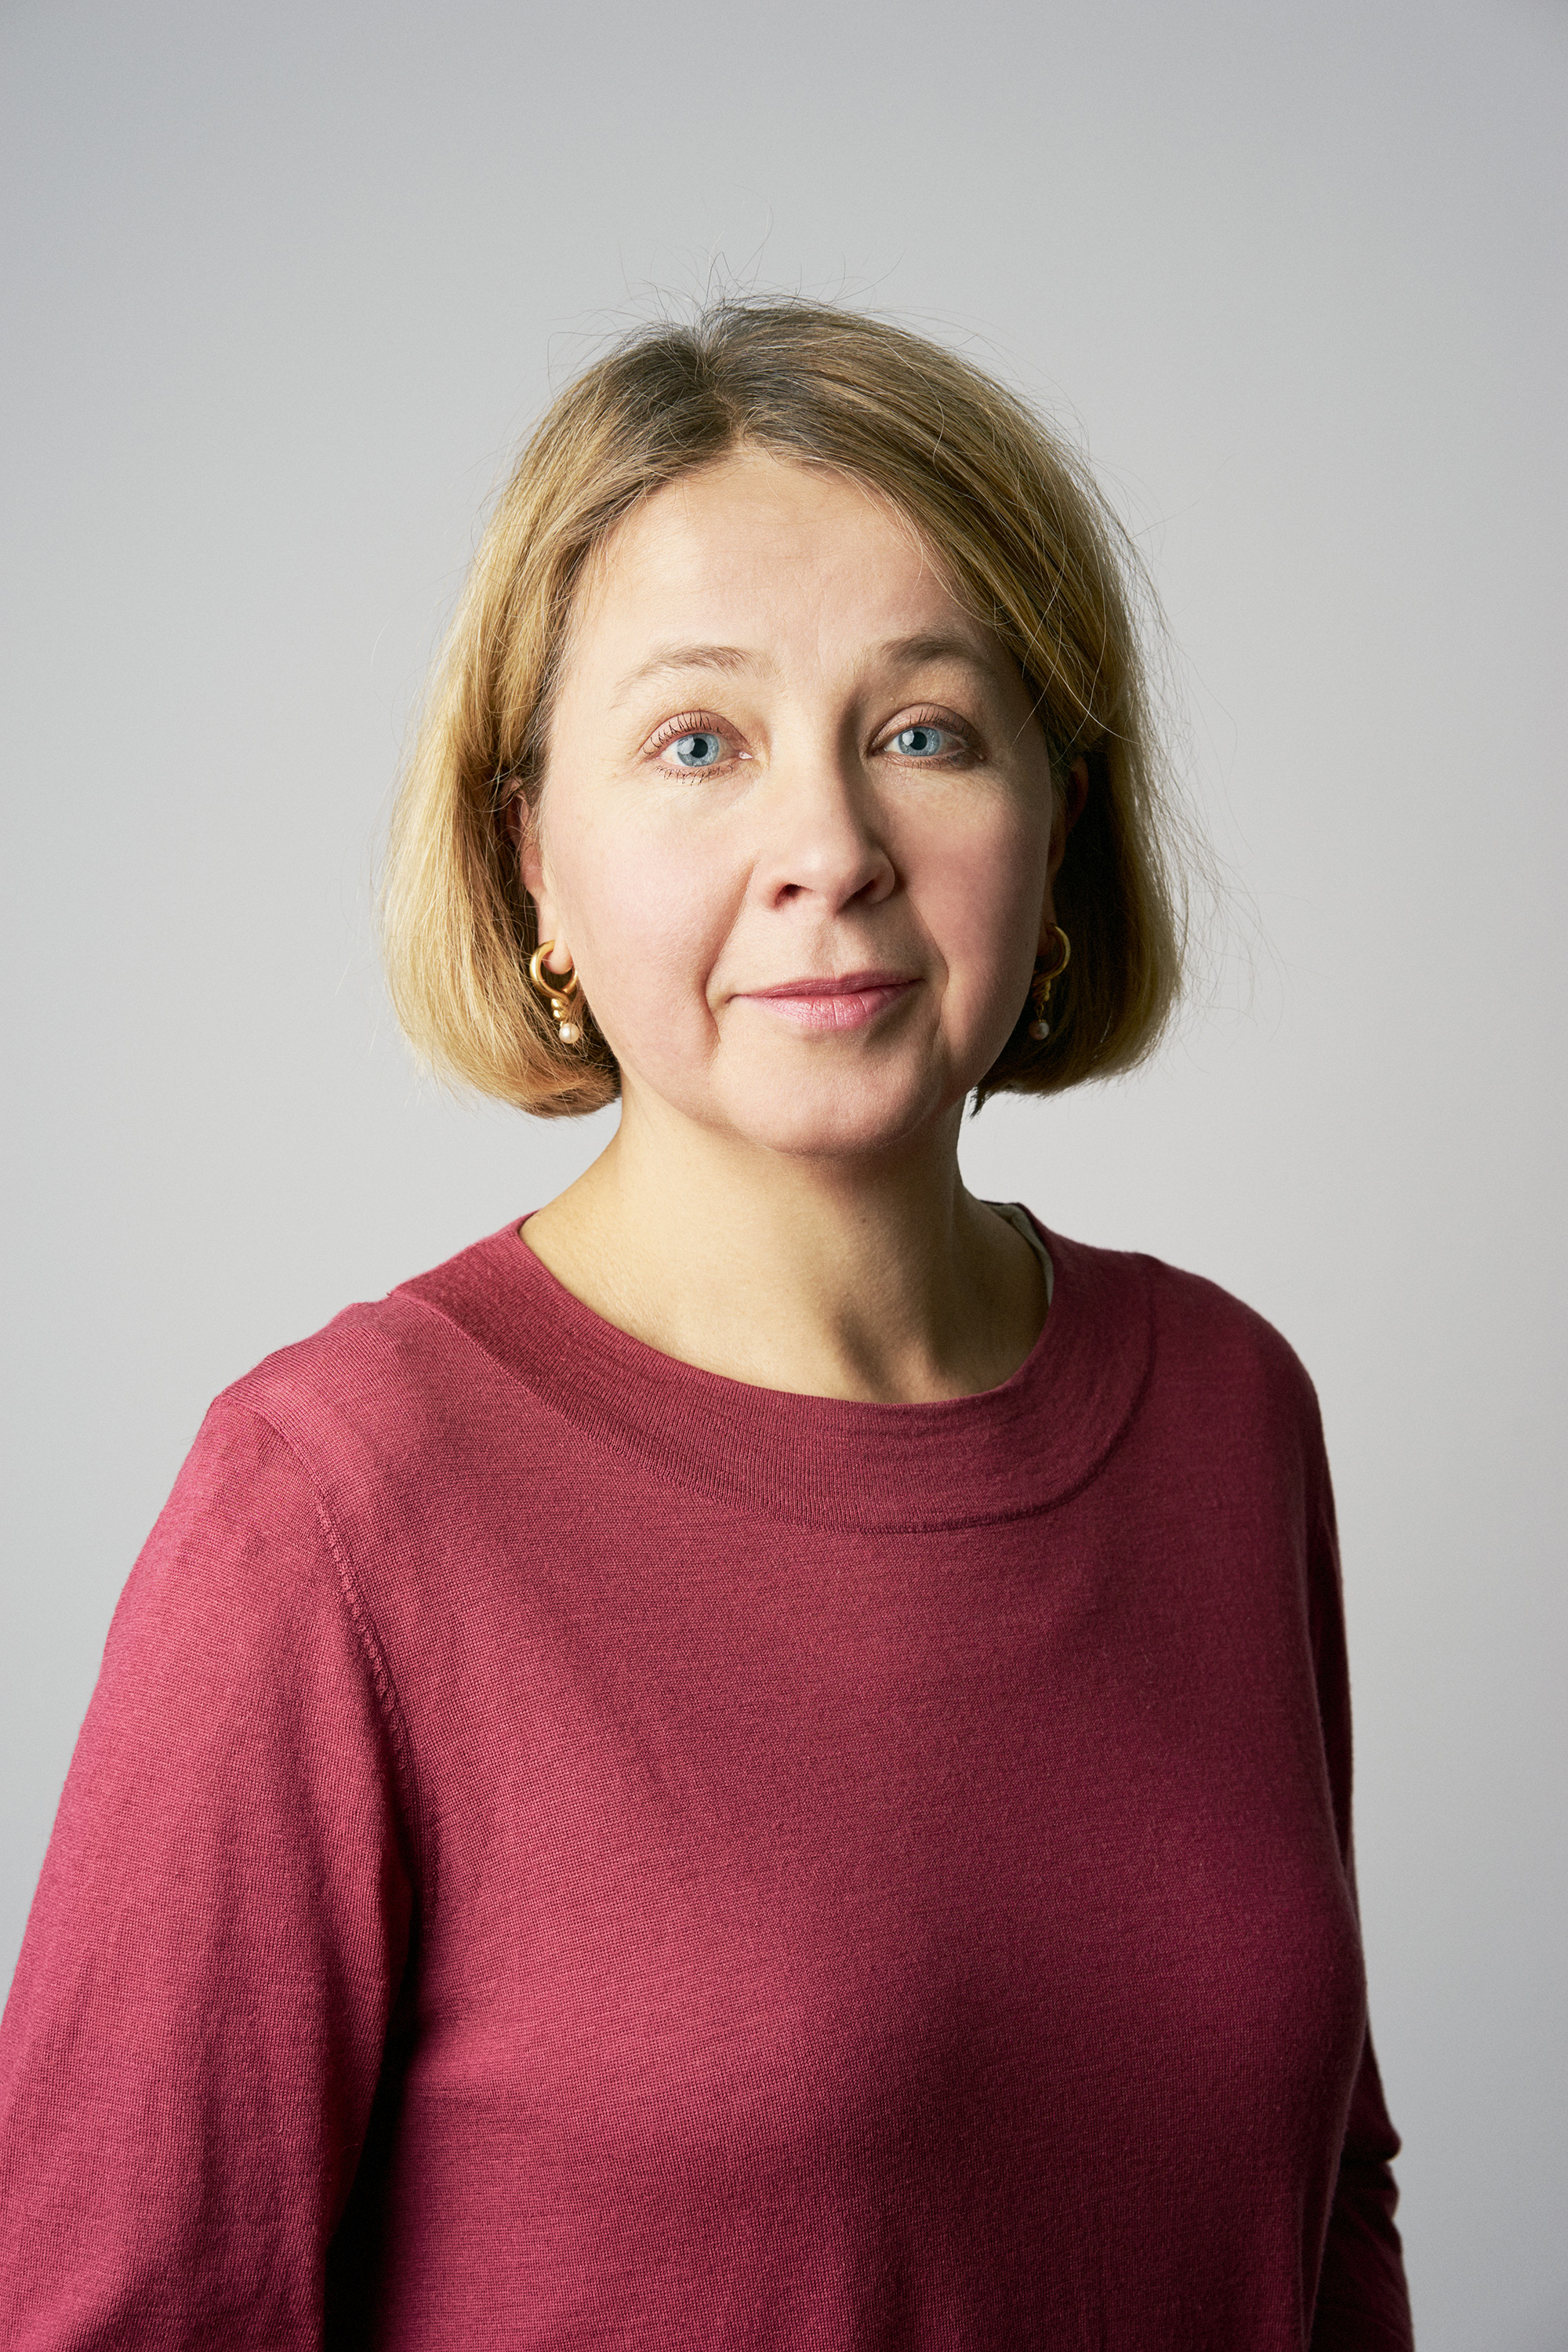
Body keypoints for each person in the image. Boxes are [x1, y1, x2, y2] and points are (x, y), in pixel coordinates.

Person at [0, 299, 1415, 2348]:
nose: (828, 851)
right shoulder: (328, 1513)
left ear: (1062, 822)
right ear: (532, 862)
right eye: (698, 744)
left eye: (925, 732)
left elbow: (1327, 2201)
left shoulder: (1227, 1413)